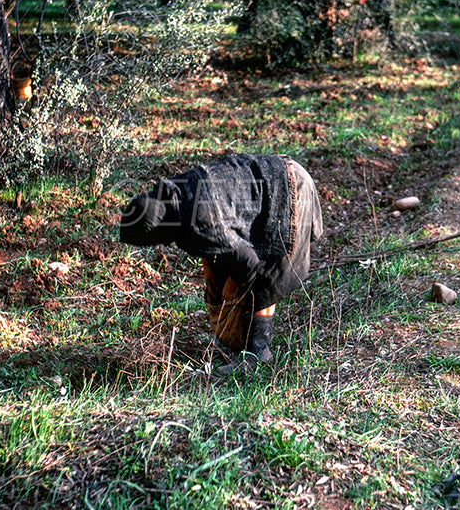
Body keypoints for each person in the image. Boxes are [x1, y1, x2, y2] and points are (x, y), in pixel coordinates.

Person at [119, 153, 323, 374]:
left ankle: (257, 353)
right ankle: (245, 341)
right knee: (239, 264)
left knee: (269, 270)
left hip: (288, 188)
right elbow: (211, 249)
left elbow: (248, 264)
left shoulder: (201, 219)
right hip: (272, 178)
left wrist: (228, 295)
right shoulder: (176, 195)